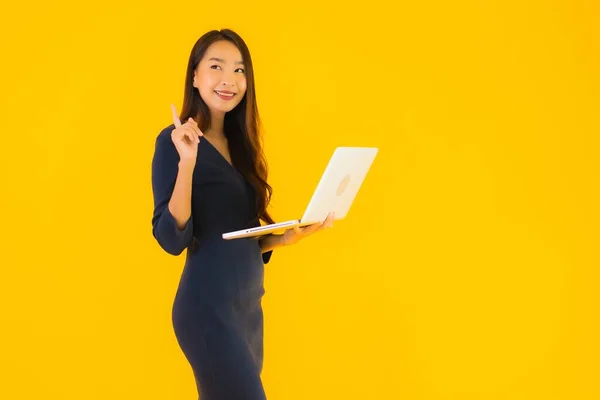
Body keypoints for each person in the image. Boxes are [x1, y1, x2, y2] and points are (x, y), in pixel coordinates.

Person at [150, 29, 334, 400]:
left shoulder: (242, 145)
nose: (229, 80)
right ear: (195, 76)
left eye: (239, 70)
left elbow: (238, 234)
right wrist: (187, 163)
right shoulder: (174, 142)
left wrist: (284, 238)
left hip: (247, 308)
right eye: (216, 67)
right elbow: (172, 237)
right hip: (207, 308)